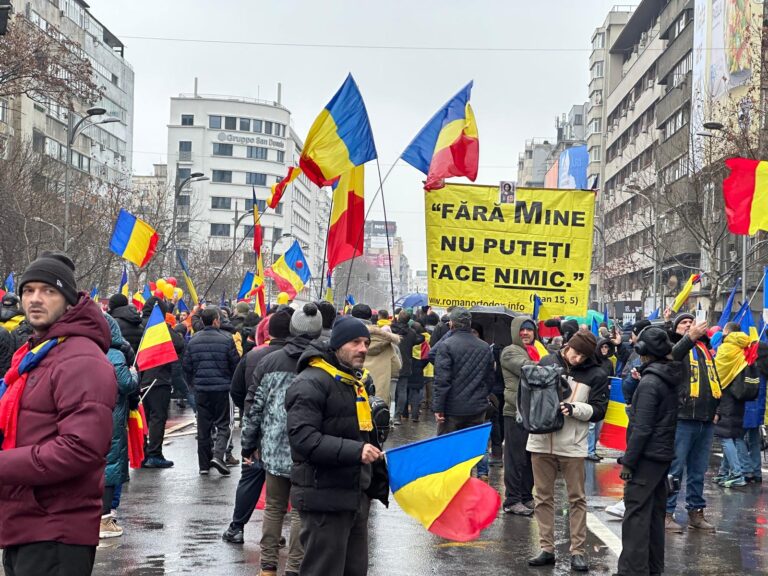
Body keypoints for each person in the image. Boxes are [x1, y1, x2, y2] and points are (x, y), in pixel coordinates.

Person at [0, 251, 116, 576]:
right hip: (27, 522)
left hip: (54, 530)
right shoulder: (39, 353)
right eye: (29, 290)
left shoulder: (79, 358)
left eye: (48, 291)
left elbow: (81, 447)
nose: (35, 299)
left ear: (67, 301)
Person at [286, 315, 389, 576]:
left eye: (366, 342)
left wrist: (376, 456)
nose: (363, 348)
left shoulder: (354, 382)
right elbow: (303, 439)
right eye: (355, 342)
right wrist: (357, 451)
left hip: (354, 496)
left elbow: (360, 434)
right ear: (338, 345)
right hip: (324, 498)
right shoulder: (311, 381)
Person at [240, 303, 322, 576]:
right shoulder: (325, 362)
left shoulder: (269, 361)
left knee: (274, 507)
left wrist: (248, 444)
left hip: (274, 447)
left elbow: (255, 406)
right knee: (300, 510)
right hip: (310, 448)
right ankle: (295, 568)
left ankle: (267, 567)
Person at [527, 331, 608, 572]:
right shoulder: (547, 363)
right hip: (540, 440)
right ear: (567, 346)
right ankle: (546, 548)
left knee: (577, 498)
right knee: (542, 497)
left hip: (572, 443)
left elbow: (599, 410)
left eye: (584, 356)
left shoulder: (597, 374)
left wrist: (574, 408)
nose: (578, 359)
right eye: (576, 353)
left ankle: (578, 551)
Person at [222, 308, 294, 545]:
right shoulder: (301, 357)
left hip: (257, 425)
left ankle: (237, 527)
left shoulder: (253, 356)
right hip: (290, 429)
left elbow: (236, 389)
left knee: (251, 477)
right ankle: (276, 533)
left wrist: (247, 412)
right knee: (284, 481)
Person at [615, 327, 680, 576]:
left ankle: (632, 570)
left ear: (643, 350)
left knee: (636, 516)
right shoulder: (665, 376)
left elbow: (642, 428)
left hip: (646, 457)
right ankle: (652, 569)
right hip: (661, 455)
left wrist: (629, 462)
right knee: (653, 514)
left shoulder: (650, 382)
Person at [664, 312, 717, 533]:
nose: (688, 325)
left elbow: (716, 380)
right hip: (683, 417)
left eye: (691, 322)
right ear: (675, 329)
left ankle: (696, 512)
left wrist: (717, 410)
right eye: (683, 323)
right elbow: (671, 358)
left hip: (705, 418)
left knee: (698, 470)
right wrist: (689, 337)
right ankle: (666, 513)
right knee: (674, 469)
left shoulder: (705, 350)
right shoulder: (672, 346)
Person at [183, 306, 240, 475]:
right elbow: (235, 365)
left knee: (203, 426)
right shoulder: (227, 338)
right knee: (224, 424)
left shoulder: (193, 340)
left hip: (201, 390)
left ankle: (203, 465)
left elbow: (186, 366)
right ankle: (218, 455)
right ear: (216, 320)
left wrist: (193, 385)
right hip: (222, 388)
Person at [100, 314, 139, 538]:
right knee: (111, 463)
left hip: (85, 414)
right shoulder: (114, 354)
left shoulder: (83, 350)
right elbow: (126, 384)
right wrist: (134, 373)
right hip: (112, 413)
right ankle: (105, 519)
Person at [500, 316, 543, 516]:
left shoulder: (537, 350)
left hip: (533, 412)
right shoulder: (510, 351)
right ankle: (512, 499)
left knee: (530, 457)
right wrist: (545, 365)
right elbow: (528, 370)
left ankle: (526, 497)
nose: (525, 333)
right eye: (522, 330)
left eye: (529, 330)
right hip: (515, 411)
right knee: (515, 458)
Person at [432, 307, 495, 435]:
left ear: (452, 323)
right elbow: (490, 378)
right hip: (477, 409)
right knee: (471, 451)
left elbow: (442, 380)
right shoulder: (484, 347)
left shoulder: (446, 345)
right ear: (469, 324)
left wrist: (438, 408)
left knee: (448, 449)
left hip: (452, 409)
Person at [139, 301, 185, 469]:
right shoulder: (158, 327)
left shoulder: (137, 324)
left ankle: (141, 453)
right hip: (158, 379)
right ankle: (154, 454)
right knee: (158, 417)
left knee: (143, 419)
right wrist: (167, 326)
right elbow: (179, 344)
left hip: (138, 378)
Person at [711, 322, 753, 488]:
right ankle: (725, 472)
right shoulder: (744, 347)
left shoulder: (727, 348)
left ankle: (737, 474)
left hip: (727, 396)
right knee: (731, 436)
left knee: (725, 437)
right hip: (739, 396)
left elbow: (716, 372)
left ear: (727, 332)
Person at [354, 304, 401, 408]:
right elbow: (396, 368)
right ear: (370, 318)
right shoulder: (386, 343)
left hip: (354, 394)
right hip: (379, 399)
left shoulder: (348, 339)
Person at [390, 311, 424, 424]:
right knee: (402, 391)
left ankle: (389, 413)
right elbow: (421, 338)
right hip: (406, 365)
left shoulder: (391, 330)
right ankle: (397, 416)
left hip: (392, 363)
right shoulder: (411, 333)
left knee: (391, 390)